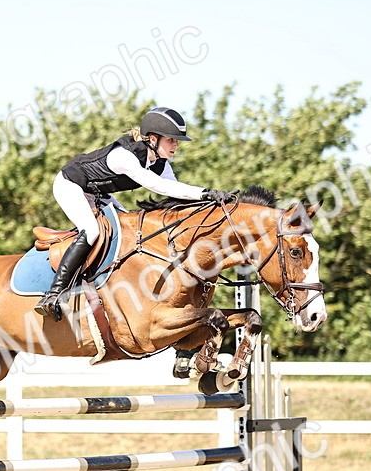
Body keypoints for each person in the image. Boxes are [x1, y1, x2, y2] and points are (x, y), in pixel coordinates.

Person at [35, 106, 230, 320]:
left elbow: (177, 193)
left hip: (99, 193)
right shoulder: (124, 156)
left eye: (176, 141)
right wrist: (205, 193)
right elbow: (160, 187)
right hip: (71, 185)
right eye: (171, 140)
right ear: (153, 139)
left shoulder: (160, 163)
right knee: (91, 231)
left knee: (128, 229)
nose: (176, 145)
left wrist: (213, 206)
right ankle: (53, 294)